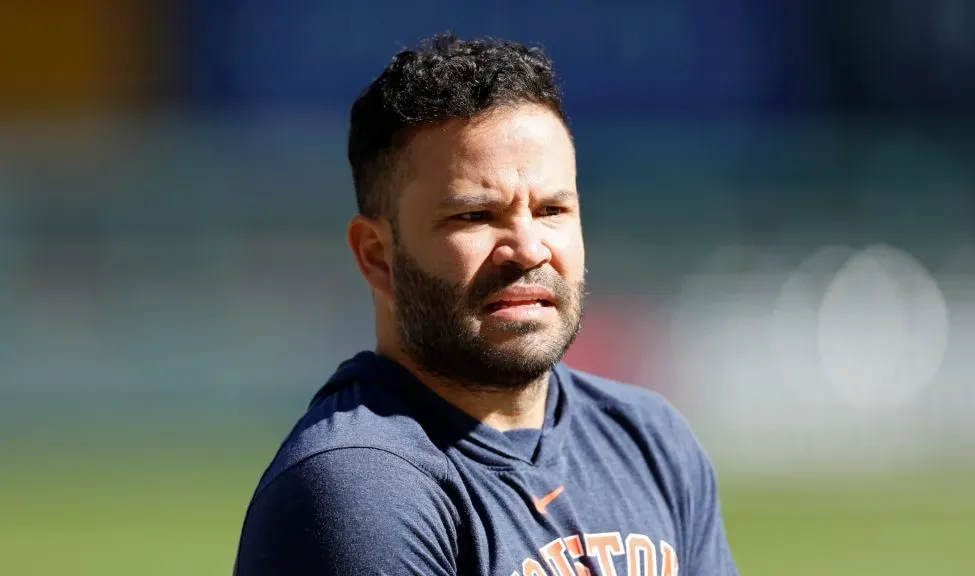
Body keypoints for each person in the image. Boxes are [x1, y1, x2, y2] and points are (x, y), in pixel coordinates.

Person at [234, 32, 738, 576]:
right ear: (377, 256)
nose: (527, 248)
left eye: (551, 210)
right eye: (475, 216)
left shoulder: (649, 441)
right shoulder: (361, 488)